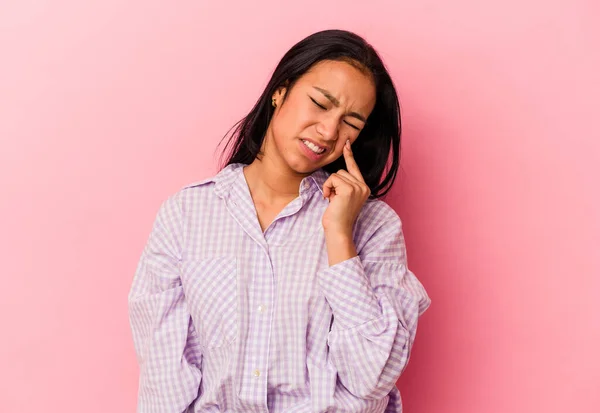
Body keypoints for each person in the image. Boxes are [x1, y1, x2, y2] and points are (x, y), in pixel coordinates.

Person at [128, 29, 431, 413]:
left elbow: (373, 376)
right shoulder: (187, 215)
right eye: (320, 104)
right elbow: (163, 380)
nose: (328, 132)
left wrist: (340, 235)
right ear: (280, 91)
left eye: (351, 122)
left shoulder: (374, 228)